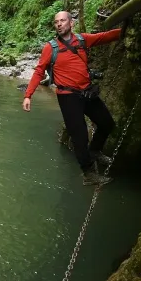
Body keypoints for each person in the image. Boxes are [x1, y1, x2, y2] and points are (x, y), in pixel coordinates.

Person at [22, 11, 122, 186]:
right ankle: (88, 174)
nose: (59, 24)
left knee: (107, 123)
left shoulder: (82, 40)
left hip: (87, 92)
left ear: (71, 23)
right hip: (68, 96)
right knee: (79, 135)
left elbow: (104, 37)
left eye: (62, 21)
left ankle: (95, 151)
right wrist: (28, 95)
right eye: (56, 22)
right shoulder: (50, 48)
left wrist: (124, 31)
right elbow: (39, 71)